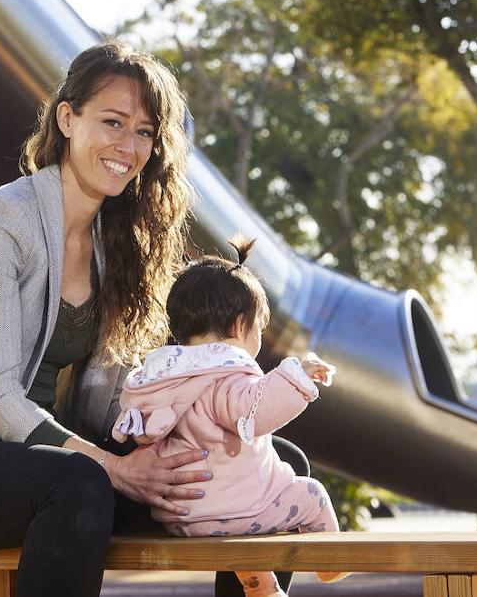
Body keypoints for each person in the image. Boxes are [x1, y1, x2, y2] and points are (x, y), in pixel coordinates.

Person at [0, 40, 308, 597]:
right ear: (67, 119)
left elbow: (131, 395)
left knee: (271, 463)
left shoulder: (118, 241)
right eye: (113, 122)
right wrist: (115, 469)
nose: (128, 146)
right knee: (80, 482)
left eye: (145, 132)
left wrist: (170, 445)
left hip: (67, 463)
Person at [111, 236, 347, 597]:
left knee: (246, 507)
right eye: (259, 328)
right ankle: (332, 564)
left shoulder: (167, 376)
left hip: (183, 516)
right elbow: (255, 410)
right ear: (240, 326)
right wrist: (298, 375)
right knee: (309, 494)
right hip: (233, 512)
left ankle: (259, 582)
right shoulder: (226, 374)